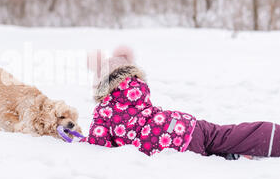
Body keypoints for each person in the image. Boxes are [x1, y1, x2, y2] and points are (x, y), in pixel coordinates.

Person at [83, 45, 280, 159]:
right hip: (186, 124)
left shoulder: (104, 112)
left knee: (200, 151)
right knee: (225, 135)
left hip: (174, 144)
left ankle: (230, 153)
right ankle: (271, 138)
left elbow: (97, 144)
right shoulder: (139, 92)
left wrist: (79, 139)